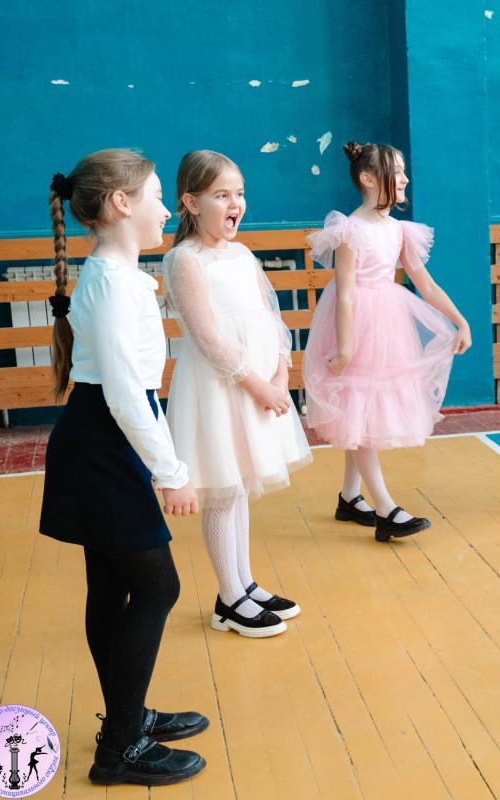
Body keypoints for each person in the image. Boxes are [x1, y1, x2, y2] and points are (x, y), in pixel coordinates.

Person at [39, 149, 208, 784]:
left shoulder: (119, 276)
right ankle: (121, 749)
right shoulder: (110, 282)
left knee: (112, 589)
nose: (166, 210)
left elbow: (132, 394)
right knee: (158, 589)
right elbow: (125, 395)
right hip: (105, 445)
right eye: (157, 197)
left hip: (103, 441)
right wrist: (171, 472)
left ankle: (126, 719)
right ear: (120, 203)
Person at [163, 150, 313, 637]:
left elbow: (270, 315)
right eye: (222, 195)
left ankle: (244, 583)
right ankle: (229, 599)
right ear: (191, 202)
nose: (236, 204)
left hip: (258, 386)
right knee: (223, 490)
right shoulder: (185, 260)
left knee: (241, 484)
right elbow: (208, 339)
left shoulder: (242, 254)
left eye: (240, 194)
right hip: (221, 390)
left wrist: (281, 372)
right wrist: (259, 385)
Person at [303, 142, 471, 540]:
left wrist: (460, 320)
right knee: (360, 408)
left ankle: (350, 496)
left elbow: (425, 284)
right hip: (358, 324)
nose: (405, 178)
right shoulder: (350, 230)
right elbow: (346, 293)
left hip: (388, 323)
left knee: (362, 411)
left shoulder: (399, 230)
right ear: (367, 178)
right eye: (396, 172)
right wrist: (345, 348)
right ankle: (385, 509)